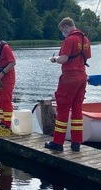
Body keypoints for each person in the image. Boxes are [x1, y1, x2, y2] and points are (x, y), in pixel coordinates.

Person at [45, 17, 91, 152]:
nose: (62, 33)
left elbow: (63, 59)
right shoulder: (85, 39)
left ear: (66, 26)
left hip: (70, 77)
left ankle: (58, 143)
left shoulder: (69, 39)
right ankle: (76, 143)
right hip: (82, 76)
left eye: (62, 30)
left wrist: (54, 59)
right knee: (77, 109)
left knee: (63, 108)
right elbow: (86, 57)